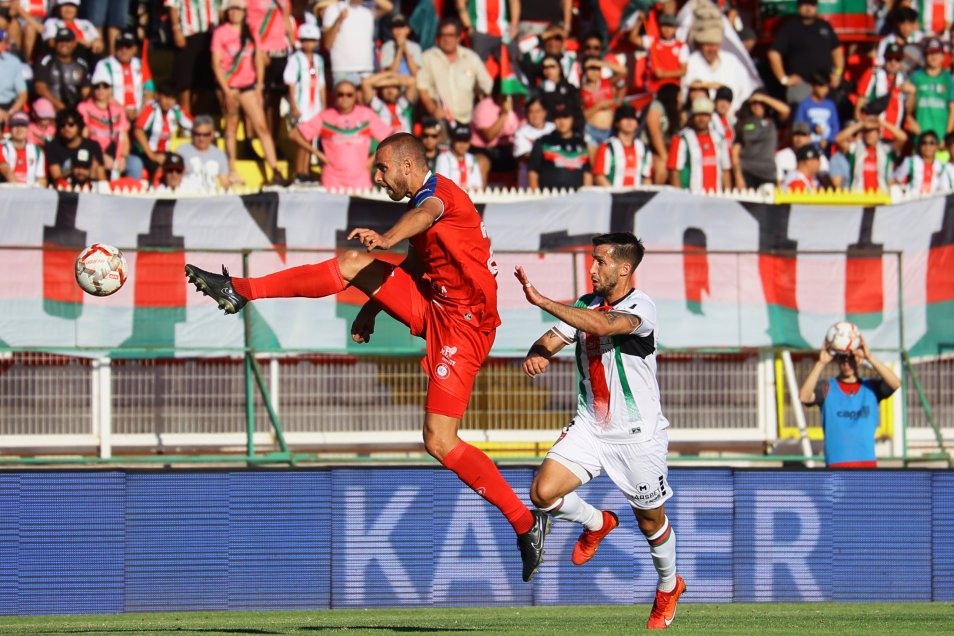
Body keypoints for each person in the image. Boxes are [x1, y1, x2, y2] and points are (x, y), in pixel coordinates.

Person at [184, 132, 550, 583]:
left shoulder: (438, 197)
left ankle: (527, 522)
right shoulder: (424, 203)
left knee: (439, 440)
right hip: (436, 304)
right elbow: (415, 266)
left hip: (465, 325)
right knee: (354, 263)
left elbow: (424, 215)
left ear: (408, 167)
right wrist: (371, 306)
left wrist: (387, 236)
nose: (376, 177)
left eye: (382, 168)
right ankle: (241, 289)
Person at [513, 232, 685, 629]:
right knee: (542, 492)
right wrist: (537, 353)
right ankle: (597, 523)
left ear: (624, 269)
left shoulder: (641, 307)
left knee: (650, 522)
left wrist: (543, 302)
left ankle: (667, 586)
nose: (592, 268)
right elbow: (554, 337)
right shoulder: (585, 305)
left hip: (637, 434)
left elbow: (604, 326)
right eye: (592, 260)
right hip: (591, 425)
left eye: (600, 262)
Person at [210, 0, 287, 186]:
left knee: (262, 127)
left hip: (248, 85)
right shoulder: (220, 33)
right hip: (229, 85)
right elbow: (216, 63)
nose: (235, 13)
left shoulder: (250, 31)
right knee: (231, 126)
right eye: (232, 9)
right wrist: (226, 90)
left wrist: (259, 85)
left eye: (238, 9)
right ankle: (232, 170)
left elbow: (258, 57)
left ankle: (274, 169)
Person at [798, 334, 901, 467]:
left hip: (866, 466)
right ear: (837, 360)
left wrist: (870, 357)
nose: (846, 362)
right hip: (836, 467)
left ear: (858, 359)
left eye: (851, 358)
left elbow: (895, 384)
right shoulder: (826, 388)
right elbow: (804, 397)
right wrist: (820, 363)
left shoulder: (870, 388)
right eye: (842, 358)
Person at [289, 80, 392, 191]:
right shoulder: (326, 117)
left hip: (361, 183)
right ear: (334, 96)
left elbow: (391, 138)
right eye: (340, 94)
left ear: (355, 96)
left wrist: (373, 159)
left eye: (349, 95)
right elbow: (294, 135)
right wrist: (318, 154)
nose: (345, 98)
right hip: (332, 182)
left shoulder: (366, 115)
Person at [417, 17, 492, 127]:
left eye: (450, 35)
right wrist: (433, 110)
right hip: (440, 121)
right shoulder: (428, 57)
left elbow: (487, 87)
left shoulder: (471, 58)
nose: (447, 39)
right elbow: (422, 88)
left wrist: (481, 110)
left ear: (458, 37)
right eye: (443, 35)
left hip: (467, 121)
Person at [768, 0, 843, 105]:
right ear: (798, 6)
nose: (808, 8)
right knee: (799, 119)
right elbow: (774, 53)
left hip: (825, 85)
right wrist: (783, 79)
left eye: (811, 4)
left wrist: (838, 74)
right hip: (801, 85)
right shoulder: (789, 28)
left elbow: (837, 51)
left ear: (816, 7)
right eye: (804, 4)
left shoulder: (825, 26)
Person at [129, 83, 193, 180]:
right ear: (158, 96)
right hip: (144, 153)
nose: (168, 102)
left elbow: (195, 125)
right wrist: (152, 155)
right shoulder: (151, 109)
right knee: (158, 169)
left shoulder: (177, 111)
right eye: (166, 97)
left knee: (179, 164)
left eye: (172, 98)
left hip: (164, 153)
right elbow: (138, 131)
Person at [166, 0, 219, 115]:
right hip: (188, 33)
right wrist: (176, 30)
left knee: (203, 81)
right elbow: (172, 5)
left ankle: (194, 115)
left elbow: (221, 7)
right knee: (185, 79)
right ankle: (185, 115)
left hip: (211, 35)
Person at [667, 97, 731, 192]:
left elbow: (725, 170)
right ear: (692, 116)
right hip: (691, 197)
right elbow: (674, 172)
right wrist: (679, 198)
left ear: (710, 116)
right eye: (698, 115)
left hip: (716, 197)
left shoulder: (720, 139)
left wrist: (727, 196)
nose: (702, 119)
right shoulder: (681, 139)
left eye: (705, 115)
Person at [77, 65, 130, 179]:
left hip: (114, 154)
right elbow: (83, 136)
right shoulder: (84, 108)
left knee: (135, 165)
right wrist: (100, 156)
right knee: (97, 166)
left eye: (105, 86)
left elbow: (124, 138)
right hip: (93, 153)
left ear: (110, 89)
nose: (101, 90)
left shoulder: (118, 110)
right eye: (97, 86)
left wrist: (123, 157)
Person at [732, 90, 789, 189]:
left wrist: (763, 98)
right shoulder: (743, 122)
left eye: (760, 103)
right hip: (747, 171)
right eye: (754, 103)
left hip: (768, 173)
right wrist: (738, 176)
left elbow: (786, 110)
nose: (756, 106)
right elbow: (735, 152)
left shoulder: (772, 120)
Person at [527, 99, 590, 191]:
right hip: (549, 198)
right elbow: (533, 171)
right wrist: (536, 196)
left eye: (566, 117)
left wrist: (586, 196)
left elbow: (587, 173)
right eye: (558, 117)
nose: (562, 122)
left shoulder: (581, 144)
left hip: (576, 199)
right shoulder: (543, 142)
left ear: (572, 118)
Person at [834, 114, 906, 192]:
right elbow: (838, 139)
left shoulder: (885, 149)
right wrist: (861, 124)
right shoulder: (857, 147)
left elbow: (903, 138)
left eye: (872, 131)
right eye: (866, 131)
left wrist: (883, 123)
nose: (869, 134)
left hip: (880, 194)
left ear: (879, 134)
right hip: (859, 194)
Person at [902, 38, 954, 142]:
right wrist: (909, 118)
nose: (933, 56)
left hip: (941, 138)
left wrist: (947, 136)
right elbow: (907, 109)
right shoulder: (916, 77)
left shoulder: (948, 79)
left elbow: (952, 109)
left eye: (937, 53)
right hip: (920, 139)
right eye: (930, 53)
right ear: (925, 56)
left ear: (943, 56)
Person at [93, 30, 150, 124]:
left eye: (128, 47)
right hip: (114, 114)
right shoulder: (104, 64)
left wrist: (141, 113)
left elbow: (149, 90)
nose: (124, 50)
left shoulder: (141, 64)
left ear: (134, 49)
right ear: (115, 48)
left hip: (139, 114)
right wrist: (124, 111)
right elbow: (103, 93)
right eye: (120, 47)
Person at [855, 42, 906, 142]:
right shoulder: (873, 74)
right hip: (873, 136)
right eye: (890, 58)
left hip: (893, 136)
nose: (893, 62)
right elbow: (858, 108)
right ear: (884, 59)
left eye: (897, 59)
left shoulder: (903, 80)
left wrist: (912, 93)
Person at [592, 104, 652, 187]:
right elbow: (599, 177)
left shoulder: (644, 149)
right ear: (617, 123)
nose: (629, 121)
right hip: (613, 196)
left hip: (638, 197)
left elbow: (646, 178)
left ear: (637, 124)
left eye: (632, 118)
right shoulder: (607, 147)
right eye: (625, 118)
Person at [33, 27, 90, 111]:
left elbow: (86, 91)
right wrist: (59, 105)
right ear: (55, 43)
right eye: (61, 41)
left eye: (67, 41)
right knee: (43, 104)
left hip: (75, 108)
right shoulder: (46, 61)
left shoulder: (82, 64)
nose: (64, 44)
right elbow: (40, 88)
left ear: (74, 43)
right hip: (52, 107)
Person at [44, 106, 106, 182]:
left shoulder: (93, 146)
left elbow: (102, 178)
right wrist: (75, 171)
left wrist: (91, 174)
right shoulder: (52, 146)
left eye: (71, 124)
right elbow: (56, 177)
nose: (66, 128)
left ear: (78, 126)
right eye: (62, 125)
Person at [322, 0, 375, 86]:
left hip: (366, 71)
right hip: (343, 71)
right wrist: (339, 20)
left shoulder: (367, 13)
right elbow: (327, 44)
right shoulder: (333, 10)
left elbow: (388, 7)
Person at [177, 114, 230, 191]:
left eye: (206, 135)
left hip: (212, 200)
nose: (201, 138)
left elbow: (224, 182)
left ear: (212, 134)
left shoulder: (219, 154)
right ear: (192, 133)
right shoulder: (182, 151)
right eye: (197, 134)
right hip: (188, 198)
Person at [794, 71, 840, 153]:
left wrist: (828, 139)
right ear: (813, 86)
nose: (825, 90)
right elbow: (799, 125)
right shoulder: (804, 104)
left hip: (826, 147)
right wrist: (813, 127)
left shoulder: (830, 105)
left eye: (827, 87)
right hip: (809, 146)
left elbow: (835, 127)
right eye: (821, 86)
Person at [512, 97, 553, 187]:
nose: (535, 115)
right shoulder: (521, 132)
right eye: (531, 111)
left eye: (538, 111)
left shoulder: (553, 129)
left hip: (551, 177)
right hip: (527, 179)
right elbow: (523, 156)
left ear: (545, 112)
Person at [0, 111, 46, 186]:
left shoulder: (37, 151)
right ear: (10, 129)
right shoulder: (2, 147)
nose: (19, 129)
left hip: (30, 192)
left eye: (23, 125)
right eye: (15, 125)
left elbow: (41, 178)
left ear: (28, 129)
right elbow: (6, 171)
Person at [434, 123, 483, 190]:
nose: (462, 144)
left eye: (465, 141)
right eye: (459, 140)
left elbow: (478, 185)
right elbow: (443, 185)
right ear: (452, 141)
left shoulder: (472, 159)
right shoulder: (443, 158)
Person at [378, 14, 421, 79]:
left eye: (401, 27)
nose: (398, 30)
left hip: (411, 80)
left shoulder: (415, 47)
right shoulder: (387, 46)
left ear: (408, 30)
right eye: (395, 27)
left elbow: (416, 73)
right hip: (394, 81)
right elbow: (391, 74)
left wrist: (405, 49)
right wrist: (400, 49)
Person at [0, 26, 27, 127]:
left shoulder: (13, 61)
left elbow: (22, 94)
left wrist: (10, 113)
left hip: (9, 107)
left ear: (3, 43)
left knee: (19, 122)